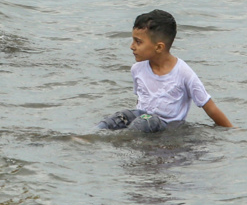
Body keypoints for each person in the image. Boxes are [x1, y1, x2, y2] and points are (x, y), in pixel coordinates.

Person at [98, 10, 234, 132]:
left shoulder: (184, 73)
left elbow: (209, 107)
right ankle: (91, 136)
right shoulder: (137, 69)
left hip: (166, 127)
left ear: (159, 47)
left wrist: (232, 131)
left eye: (138, 42)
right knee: (121, 116)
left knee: (146, 121)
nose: (132, 46)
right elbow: (141, 99)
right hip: (142, 117)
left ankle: (124, 140)